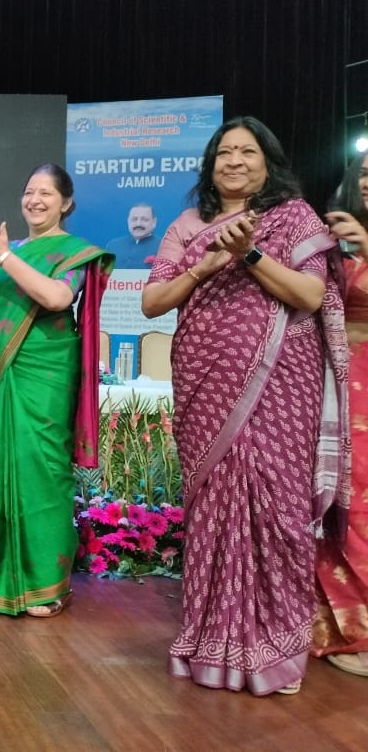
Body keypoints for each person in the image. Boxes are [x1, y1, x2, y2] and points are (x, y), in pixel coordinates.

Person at [141, 115, 349, 696]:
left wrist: (252, 254)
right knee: (213, 511)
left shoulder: (295, 219)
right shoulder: (187, 225)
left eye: (247, 152)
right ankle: (210, 641)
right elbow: (155, 301)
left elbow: (310, 295)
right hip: (206, 385)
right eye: (223, 152)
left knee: (278, 512)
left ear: (268, 162)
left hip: (282, 384)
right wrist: (206, 265)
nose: (234, 161)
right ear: (210, 165)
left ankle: (277, 647)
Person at [0, 163, 112, 617]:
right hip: (1, 378)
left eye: (46, 193)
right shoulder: (12, 250)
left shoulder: (73, 252)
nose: (35, 200)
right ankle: (0, 582)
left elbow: (58, 299)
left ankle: (47, 585)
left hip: (45, 376)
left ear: (66, 203)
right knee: (0, 472)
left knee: (42, 473)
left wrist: (2, 256)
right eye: (29, 192)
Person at [316, 150, 368, 677]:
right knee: (343, 499)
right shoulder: (335, 245)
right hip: (341, 386)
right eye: (365, 175)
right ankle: (348, 631)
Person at [105, 203, 158, 268]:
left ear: (154, 222)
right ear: (128, 221)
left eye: (144, 220)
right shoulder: (113, 245)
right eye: (134, 219)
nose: (138, 224)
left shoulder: (164, 246)